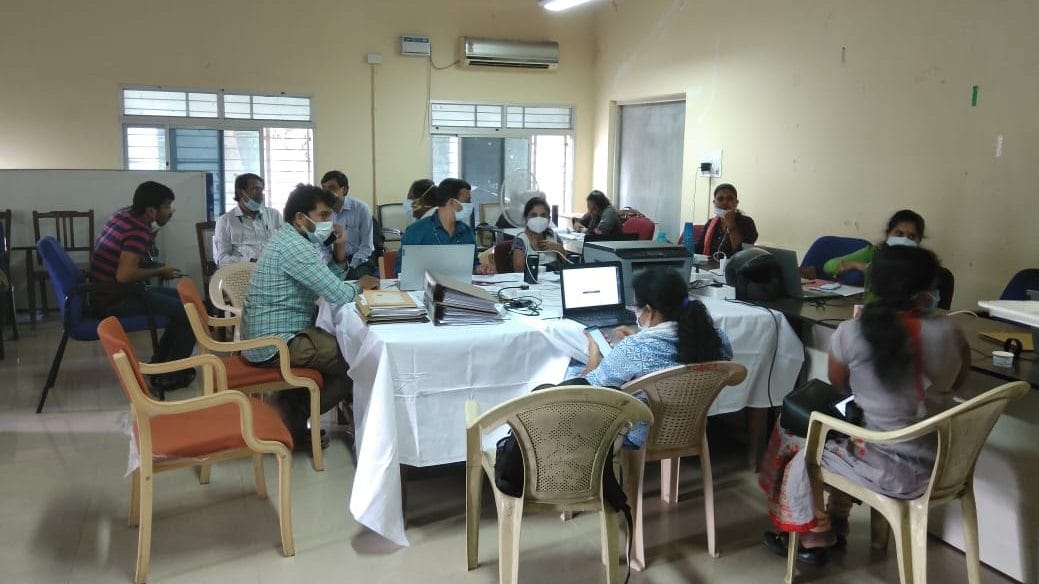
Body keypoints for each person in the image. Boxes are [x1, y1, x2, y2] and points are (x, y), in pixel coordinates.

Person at [759, 245, 970, 565]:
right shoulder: (952, 332)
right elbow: (956, 383)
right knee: (849, 434)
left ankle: (815, 533)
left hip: (885, 468)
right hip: (943, 463)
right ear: (927, 291)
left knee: (798, 435)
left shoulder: (852, 333)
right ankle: (837, 517)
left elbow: (840, 386)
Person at [241, 184, 379, 447]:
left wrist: (340, 253)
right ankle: (288, 415)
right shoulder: (295, 248)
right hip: (276, 343)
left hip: (279, 335)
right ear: (300, 218)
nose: (331, 222)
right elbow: (336, 292)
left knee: (349, 356)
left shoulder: (292, 240)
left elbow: (326, 284)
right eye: (324, 216)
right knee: (357, 357)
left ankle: (289, 415)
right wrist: (361, 284)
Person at [574, 269, 733, 447]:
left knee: (569, 376)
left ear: (649, 311)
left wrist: (594, 352)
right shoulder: (714, 338)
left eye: (636, 307)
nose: (636, 312)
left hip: (640, 435)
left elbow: (587, 391)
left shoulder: (634, 348)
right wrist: (639, 335)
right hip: (691, 428)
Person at [90, 181, 195, 391]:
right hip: (116, 298)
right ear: (151, 210)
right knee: (190, 313)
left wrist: (147, 248)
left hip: (106, 291)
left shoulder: (124, 215)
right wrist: (159, 271)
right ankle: (170, 375)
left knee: (185, 301)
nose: (170, 211)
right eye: (166, 206)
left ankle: (160, 365)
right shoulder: (138, 230)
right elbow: (125, 275)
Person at [395, 178, 495, 275]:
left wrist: (479, 268)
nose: (470, 205)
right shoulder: (416, 231)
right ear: (451, 202)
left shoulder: (466, 231)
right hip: (422, 289)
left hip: (460, 288)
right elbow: (401, 269)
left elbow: (473, 264)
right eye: (467, 201)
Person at [822, 209, 925, 283]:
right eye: (899, 234)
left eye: (911, 236)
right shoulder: (874, 252)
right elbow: (829, 266)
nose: (904, 240)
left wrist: (865, 267)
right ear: (887, 235)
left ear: (919, 240)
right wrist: (854, 264)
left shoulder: (925, 264)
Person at [213, 173, 283, 267]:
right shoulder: (225, 221)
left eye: (261, 190)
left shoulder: (274, 215)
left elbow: (285, 245)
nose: (260, 195)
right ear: (241, 193)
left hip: (273, 270)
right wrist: (249, 262)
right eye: (255, 189)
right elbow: (221, 258)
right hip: (242, 273)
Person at [320, 170, 376, 280]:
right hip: (332, 259)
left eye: (332, 188)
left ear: (344, 189)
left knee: (354, 281)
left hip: (359, 259)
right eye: (324, 188)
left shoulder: (361, 209)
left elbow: (367, 246)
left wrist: (348, 267)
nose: (327, 193)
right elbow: (321, 245)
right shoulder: (322, 211)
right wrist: (329, 265)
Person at [694, 183, 758, 258]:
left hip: (734, 267)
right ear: (714, 203)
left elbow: (743, 254)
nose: (725, 202)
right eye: (720, 199)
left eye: (730, 199)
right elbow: (699, 248)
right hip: (708, 267)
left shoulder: (747, 222)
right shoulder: (710, 223)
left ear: (736, 203)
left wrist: (731, 225)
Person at [510, 196, 567, 273]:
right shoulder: (521, 240)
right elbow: (519, 272)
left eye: (543, 215)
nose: (538, 219)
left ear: (549, 219)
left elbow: (568, 266)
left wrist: (559, 249)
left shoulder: (554, 236)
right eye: (533, 215)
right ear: (526, 218)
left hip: (555, 283)